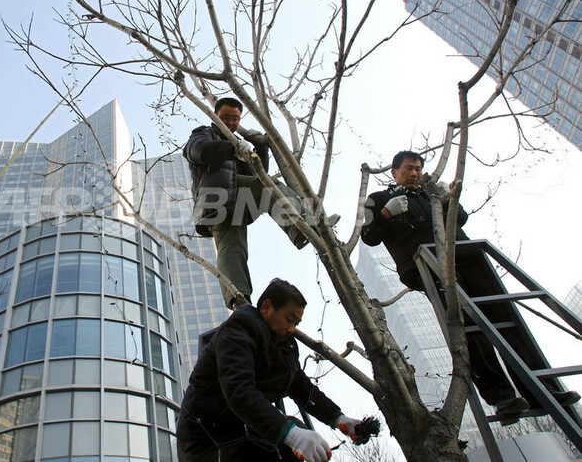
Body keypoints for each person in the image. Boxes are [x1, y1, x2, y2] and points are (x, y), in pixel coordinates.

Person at [361, 150, 579, 424]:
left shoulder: (429, 194)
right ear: (394, 172)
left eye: (418, 168)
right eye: (408, 168)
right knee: (467, 327)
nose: (414, 173)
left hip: (466, 254)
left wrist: (448, 200)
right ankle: (501, 396)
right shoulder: (379, 199)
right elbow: (368, 236)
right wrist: (385, 213)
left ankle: (543, 388)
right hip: (427, 264)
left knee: (505, 317)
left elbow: (460, 218)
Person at [177, 279, 362, 462]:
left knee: (294, 433)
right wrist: (292, 435)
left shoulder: (285, 348)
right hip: (206, 441)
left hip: (240, 434)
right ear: (266, 307)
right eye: (289, 319)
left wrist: (339, 419)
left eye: (296, 323)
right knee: (290, 435)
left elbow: (303, 389)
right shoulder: (237, 331)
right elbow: (238, 390)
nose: (291, 329)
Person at [184, 97, 337, 309]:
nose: (230, 123)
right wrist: (234, 147)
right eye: (225, 117)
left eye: (235, 119)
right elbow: (197, 150)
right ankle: (300, 226)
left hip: (236, 202)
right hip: (216, 199)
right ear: (215, 117)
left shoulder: (241, 144)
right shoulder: (204, 133)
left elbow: (259, 174)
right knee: (267, 192)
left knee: (232, 247)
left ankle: (239, 301)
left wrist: (260, 148)